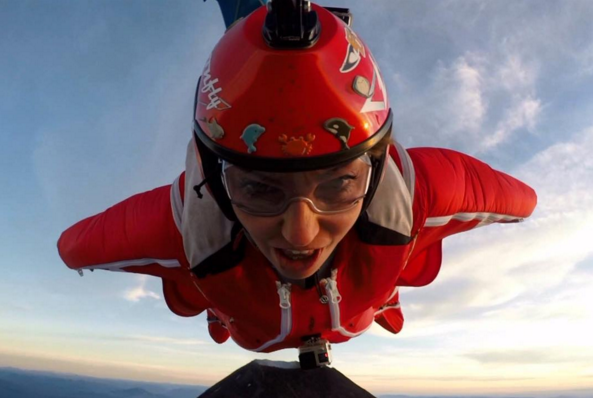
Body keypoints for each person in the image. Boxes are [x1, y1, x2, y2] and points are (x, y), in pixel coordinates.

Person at [58, 1, 537, 355]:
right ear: (217, 185)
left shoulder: (417, 197)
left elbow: (75, 245)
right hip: (339, 305)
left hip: (262, 316)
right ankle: (372, 292)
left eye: (339, 184)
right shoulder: (184, 228)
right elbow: (515, 198)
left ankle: (237, 308)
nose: (300, 233)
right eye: (259, 187)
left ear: (372, 176)